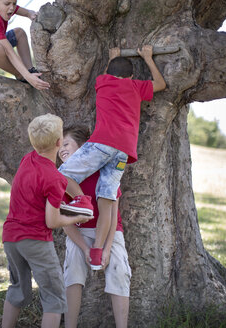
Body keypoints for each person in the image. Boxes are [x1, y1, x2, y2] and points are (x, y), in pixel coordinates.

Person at [58, 45, 166, 269]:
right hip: (123, 151)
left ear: (109, 73)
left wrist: (112, 57)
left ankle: (81, 201)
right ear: (132, 76)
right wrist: (148, 58)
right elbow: (161, 84)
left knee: (61, 175)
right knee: (106, 198)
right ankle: (97, 252)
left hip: (102, 143)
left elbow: (108, 74)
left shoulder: (102, 82)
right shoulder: (136, 86)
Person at [1, 114, 93, 328]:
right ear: (59, 142)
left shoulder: (28, 159)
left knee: (17, 289)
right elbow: (51, 221)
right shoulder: (54, 178)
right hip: (36, 240)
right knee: (54, 299)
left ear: (33, 142)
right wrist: (79, 215)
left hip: (10, 238)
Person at [58, 125, 130, 328]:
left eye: (66, 144)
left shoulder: (104, 171)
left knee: (119, 271)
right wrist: (85, 248)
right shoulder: (62, 179)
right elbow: (65, 223)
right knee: (72, 270)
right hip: (79, 233)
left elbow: (113, 214)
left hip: (109, 233)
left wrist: (105, 249)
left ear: (83, 148)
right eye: (59, 147)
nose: (61, 149)